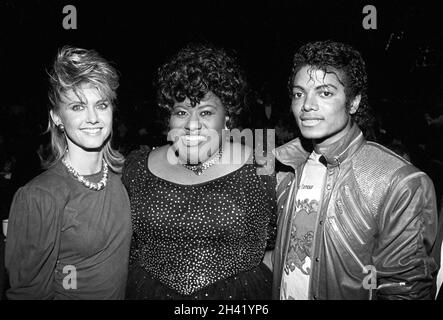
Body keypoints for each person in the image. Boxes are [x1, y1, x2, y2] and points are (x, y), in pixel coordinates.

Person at [271, 40, 438, 300]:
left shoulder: (399, 182)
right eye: (299, 93)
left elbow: (405, 291)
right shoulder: (284, 167)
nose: (307, 105)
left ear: (353, 103)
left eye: (325, 93)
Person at [122, 43, 276, 299]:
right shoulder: (137, 166)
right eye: (181, 112)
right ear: (169, 118)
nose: (192, 124)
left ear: (227, 117)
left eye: (205, 112)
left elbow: (281, 239)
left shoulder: (261, 163)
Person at [5, 46, 132, 299]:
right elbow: (28, 294)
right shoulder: (40, 196)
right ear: (57, 118)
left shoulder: (123, 176)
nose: (93, 117)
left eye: (102, 105)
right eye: (77, 107)